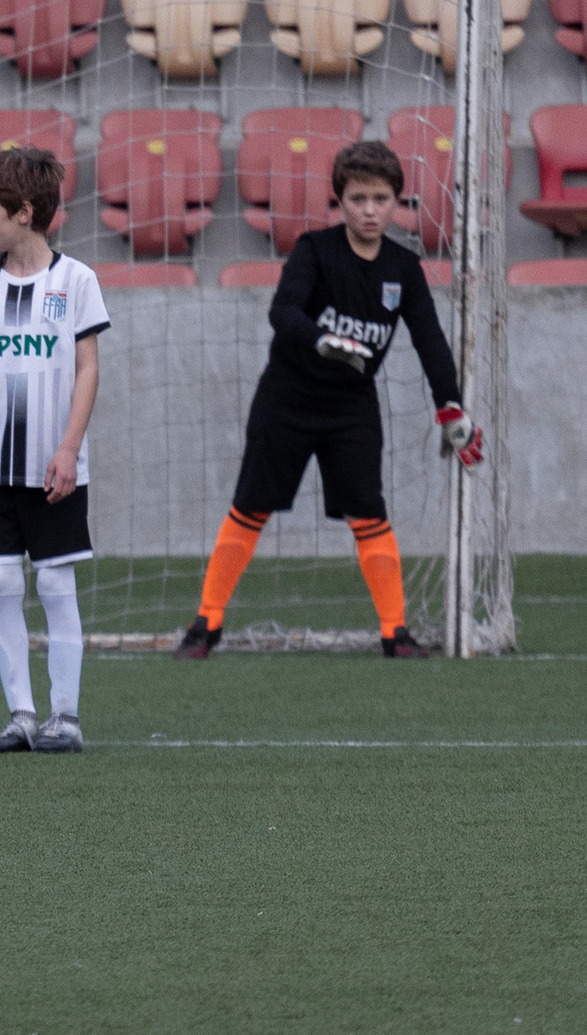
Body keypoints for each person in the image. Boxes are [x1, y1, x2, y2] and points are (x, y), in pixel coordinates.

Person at [178, 140, 483, 662]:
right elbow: (282, 310)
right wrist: (321, 339)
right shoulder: (314, 249)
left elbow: (430, 339)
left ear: (396, 203)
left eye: (381, 198)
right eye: (358, 198)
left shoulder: (404, 269)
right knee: (250, 507)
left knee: (369, 513)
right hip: (287, 399)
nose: (370, 209)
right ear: (339, 201)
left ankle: (396, 633)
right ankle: (206, 625)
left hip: (351, 408)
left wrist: (450, 407)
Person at [0, 146, 108, 756]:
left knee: (57, 586)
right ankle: (20, 714)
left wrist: (69, 449)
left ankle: (64, 717)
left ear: (23, 212)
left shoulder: (77, 281)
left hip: (53, 465)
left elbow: (88, 369)